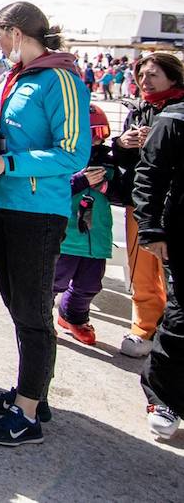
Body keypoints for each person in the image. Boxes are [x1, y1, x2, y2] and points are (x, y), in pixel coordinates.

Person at [0, 2, 90, 448]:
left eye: (0, 34)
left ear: (18, 33)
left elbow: (74, 152)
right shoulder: (14, 78)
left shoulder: (61, 80)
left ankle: (28, 413)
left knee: (34, 313)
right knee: (18, 307)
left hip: (38, 212)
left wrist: (10, 162)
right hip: (3, 204)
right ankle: (28, 392)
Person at [113, 52, 184, 357]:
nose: (145, 81)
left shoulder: (178, 112)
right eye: (141, 75)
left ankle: (172, 332)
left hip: (177, 206)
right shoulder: (139, 109)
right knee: (142, 271)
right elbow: (128, 164)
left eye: (153, 75)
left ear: (173, 77)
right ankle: (144, 328)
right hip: (141, 205)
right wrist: (123, 142)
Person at [131, 93, 184, 440]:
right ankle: (163, 397)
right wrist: (150, 228)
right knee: (180, 319)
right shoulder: (175, 119)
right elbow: (149, 175)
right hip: (178, 234)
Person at [53, 104, 117, 347]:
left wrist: (108, 185)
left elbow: (129, 189)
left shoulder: (109, 161)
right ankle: (40, 317)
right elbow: (49, 190)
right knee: (54, 281)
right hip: (67, 237)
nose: (93, 140)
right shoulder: (63, 158)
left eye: (98, 133)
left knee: (90, 284)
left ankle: (73, 316)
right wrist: (79, 181)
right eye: (86, 133)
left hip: (96, 237)